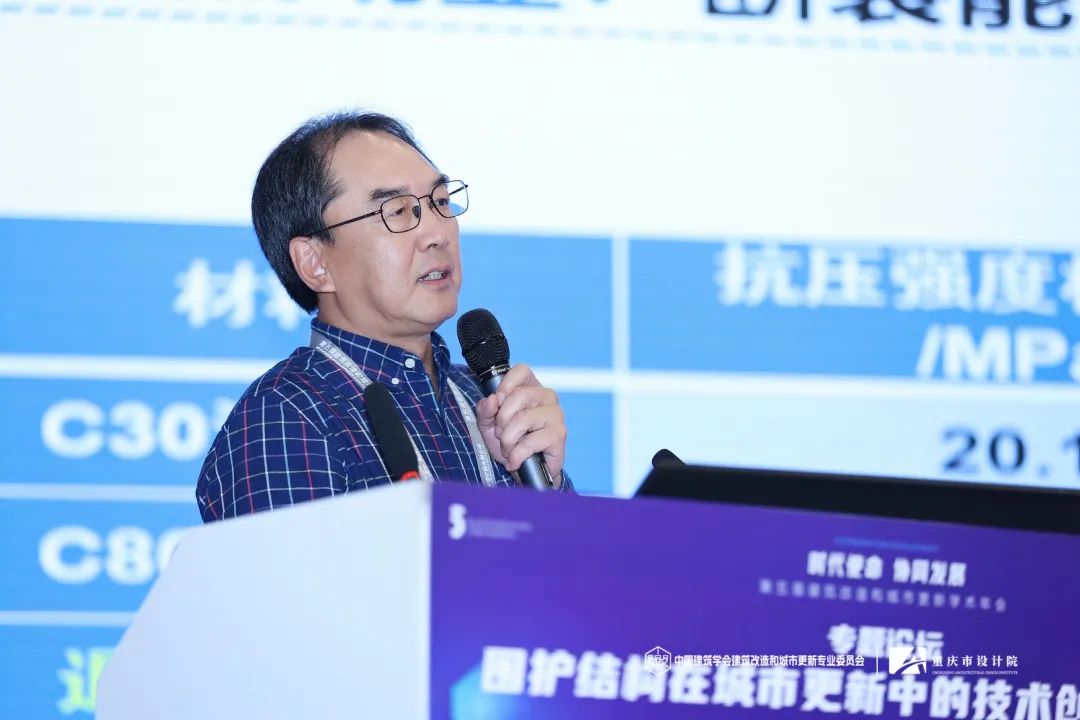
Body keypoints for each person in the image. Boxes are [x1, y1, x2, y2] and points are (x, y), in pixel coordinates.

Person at [195, 111, 573, 522]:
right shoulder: (286, 416)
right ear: (315, 262)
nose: (438, 233)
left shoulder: (483, 400)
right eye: (397, 211)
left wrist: (543, 487)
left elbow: (569, 562)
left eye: (440, 202)